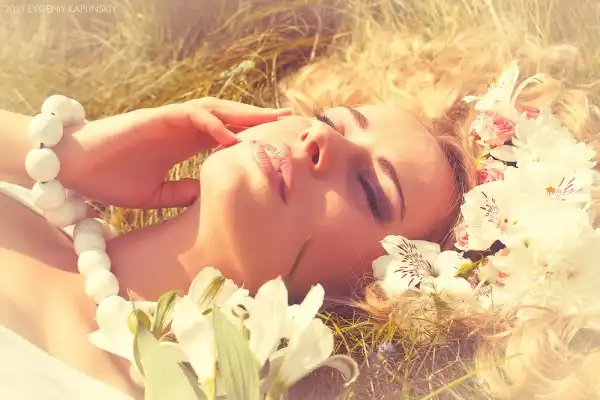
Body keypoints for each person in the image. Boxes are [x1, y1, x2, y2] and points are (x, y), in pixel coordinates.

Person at [1, 17, 599, 400]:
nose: (320, 142)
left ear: (376, 299)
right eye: (330, 122)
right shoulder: (25, 197)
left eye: (371, 190)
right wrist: (59, 152)